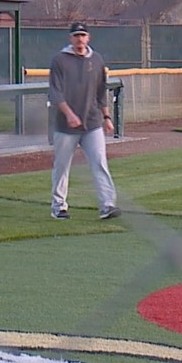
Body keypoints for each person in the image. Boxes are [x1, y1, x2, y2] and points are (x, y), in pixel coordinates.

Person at [48, 22, 120, 221]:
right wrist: (69, 114)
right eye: (76, 35)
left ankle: (107, 205)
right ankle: (59, 207)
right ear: (70, 38)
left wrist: (106, 117)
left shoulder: (96, 60)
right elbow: (55, 93)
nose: (79, 39)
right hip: (65, 125)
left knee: (99, 162)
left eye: (82, 35)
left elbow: (101, 91)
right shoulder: (59, 60)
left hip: (92, 122)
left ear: (88, 37)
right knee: (62, 166)